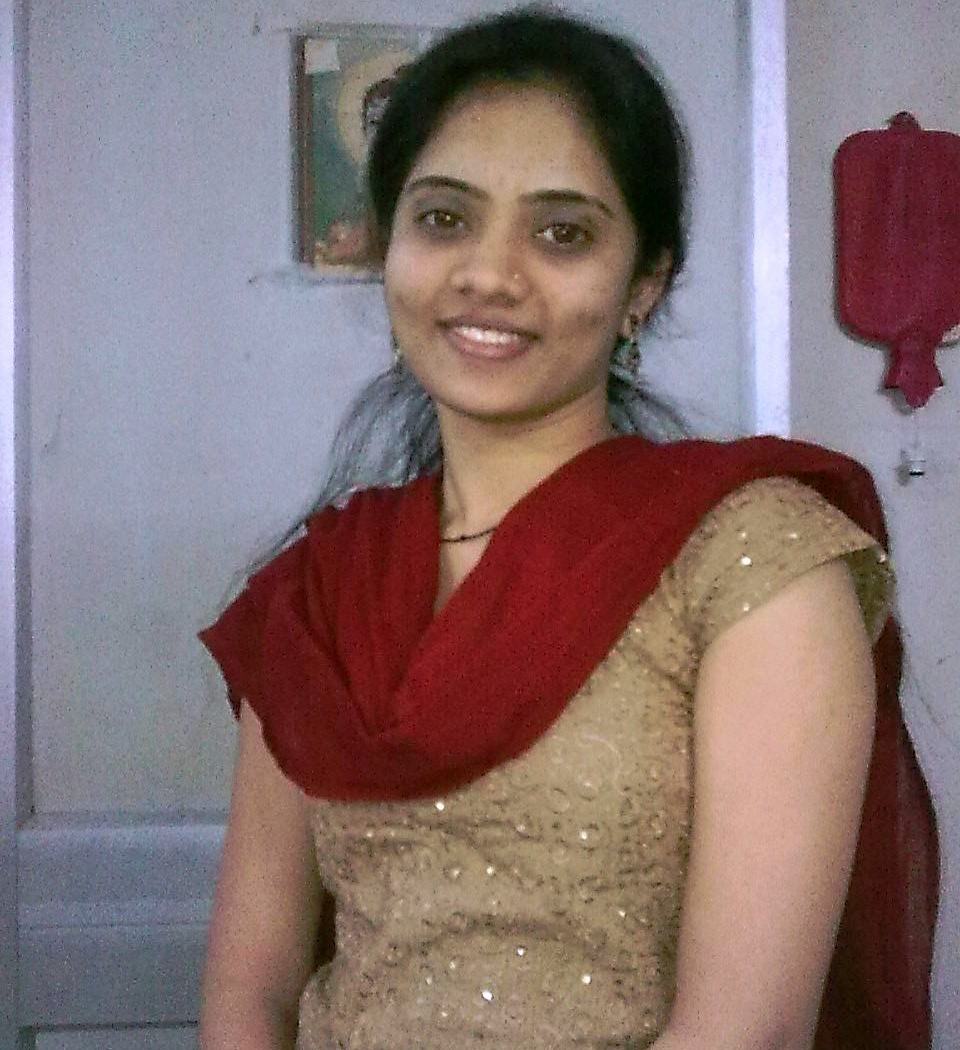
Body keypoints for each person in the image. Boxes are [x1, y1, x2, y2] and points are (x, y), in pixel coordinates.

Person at [197, 8, 937, 1049]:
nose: (489, 274)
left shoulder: (754, 561)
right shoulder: (321, 588)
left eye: (563, 233)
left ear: (644, 285)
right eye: (444, 218)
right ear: (389, 248)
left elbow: (746, 1032)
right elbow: (251, 991)